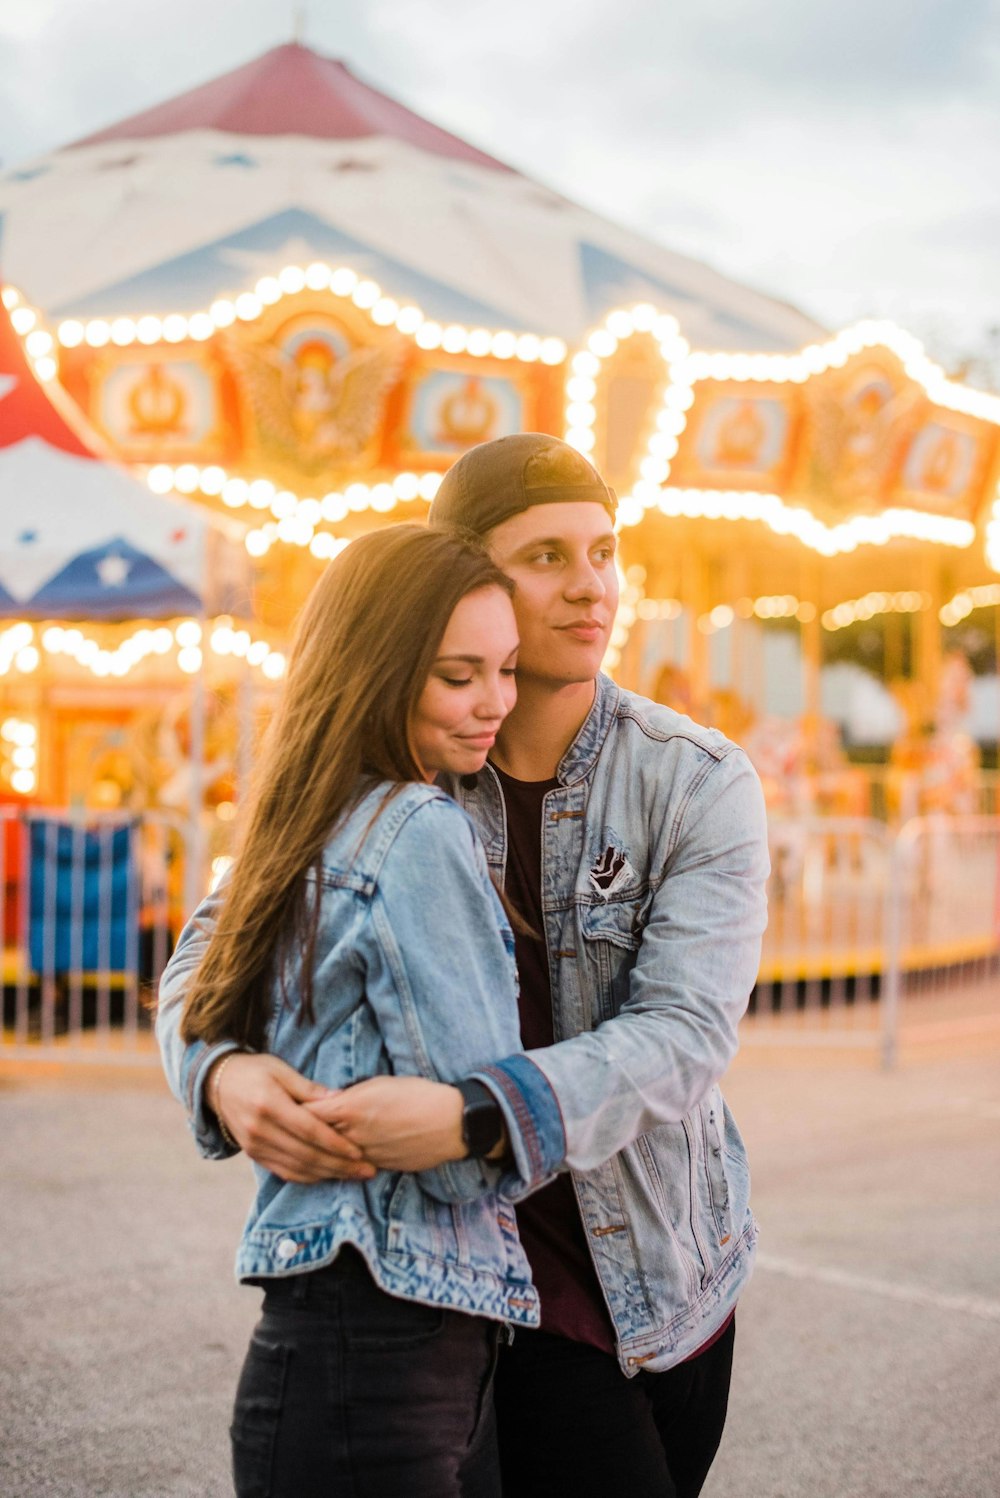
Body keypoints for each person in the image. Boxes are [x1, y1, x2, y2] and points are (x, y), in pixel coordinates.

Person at [162, 434, 770, 1498]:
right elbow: (212, 947)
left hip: (670, 1275)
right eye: (546, 557)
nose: (590, 586)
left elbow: (685, 1033)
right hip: (495, 1291)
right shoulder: (405, 769)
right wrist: (220, 1072)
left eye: (604, 550)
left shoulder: (697, 782)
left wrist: (477, 1116)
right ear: (467, 578)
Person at [156, 525, 543, 1498]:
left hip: (332, 1326)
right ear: (380, 669)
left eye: (504, 668)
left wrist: (217, 1066)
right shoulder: (419, 826)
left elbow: (197, 972)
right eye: (460, 675)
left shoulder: (304, 817)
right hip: (395, 1341)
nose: (495, 700)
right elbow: (463, 1155)